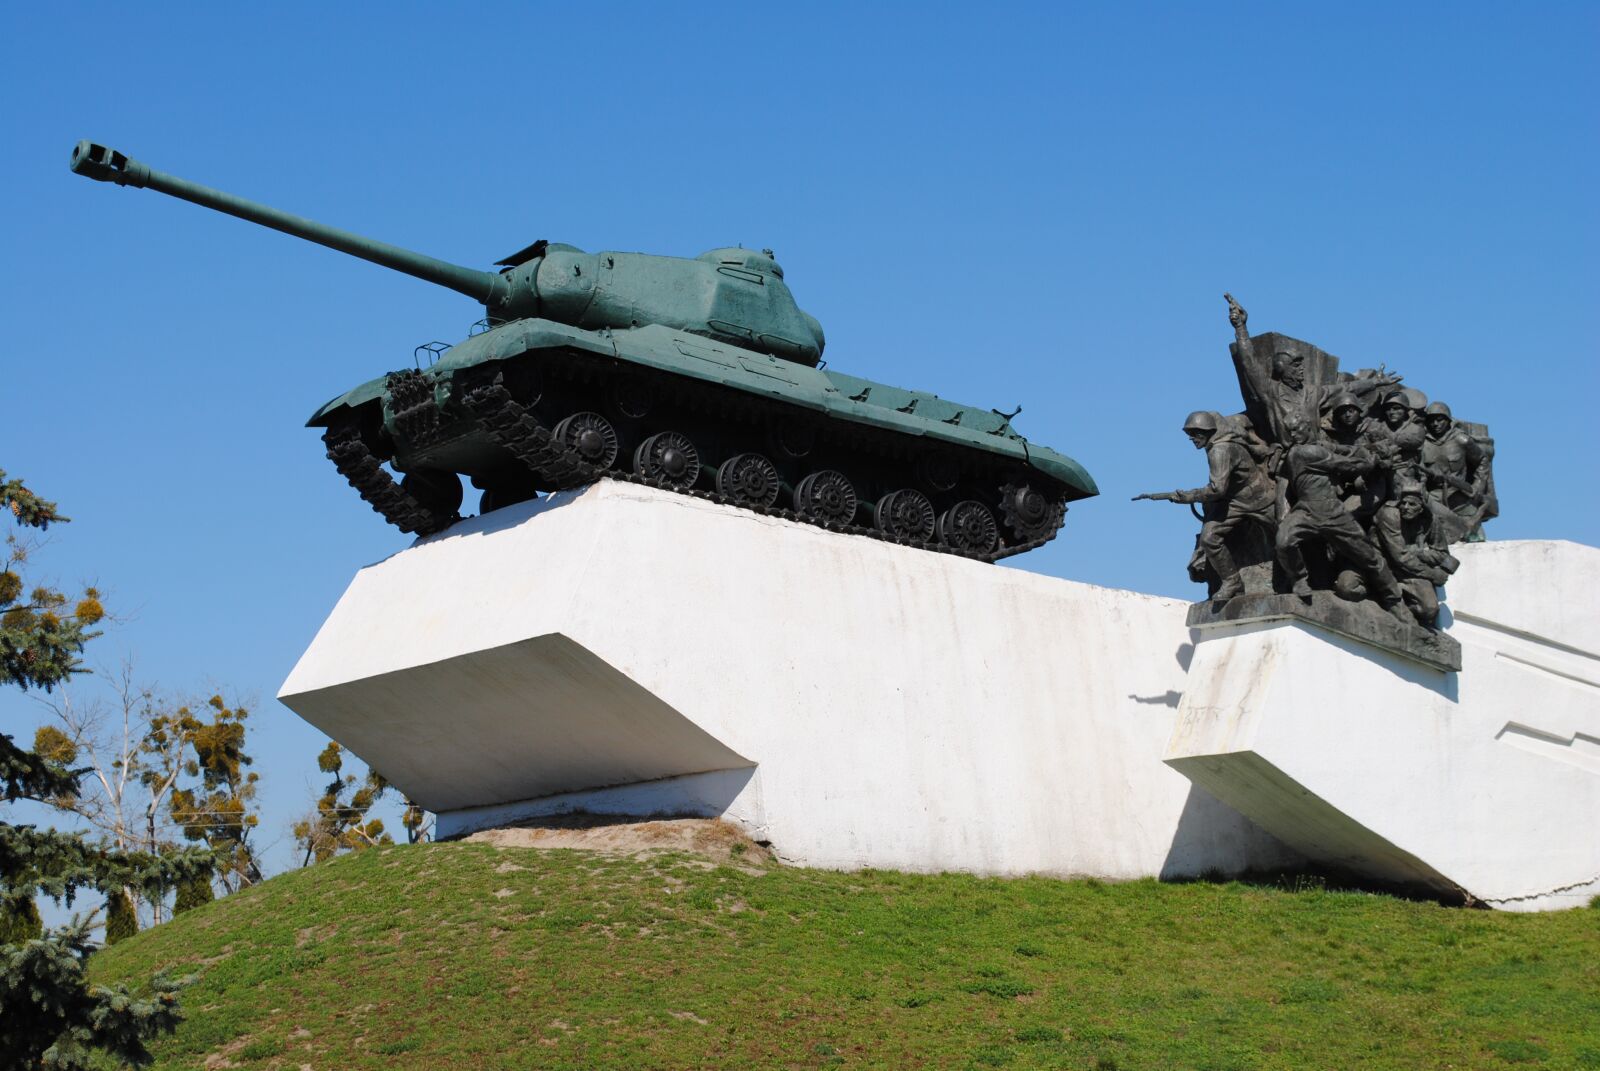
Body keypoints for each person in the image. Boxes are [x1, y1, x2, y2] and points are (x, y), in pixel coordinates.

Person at [1134, 410, 1276, 601]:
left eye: (1195, 434)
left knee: (1287, 537)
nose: (1192, 439)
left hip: (1259, 498)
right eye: (1189, 435)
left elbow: (1216, 490)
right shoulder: (1215, 447)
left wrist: (1188, 497)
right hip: (1234, 502)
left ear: (1207, 431)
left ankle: (1302, 578)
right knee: (1209, 538)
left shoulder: (1219, 450)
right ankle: (1233, 582)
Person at [1275, 441, 1412, 625]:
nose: (1292, 435)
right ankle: (1299, 580)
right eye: (1290, 431)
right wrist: (1372, 460)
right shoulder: (1304, 451)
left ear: (1309, 428)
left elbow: (1342, 450)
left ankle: (1394, 599)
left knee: (1369, 556)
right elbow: (1347, 465)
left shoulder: (1316, 446)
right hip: (1307, 510)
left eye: (1297, 429)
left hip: (1334, 512)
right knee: (1284, 541)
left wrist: (1362, 451)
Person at [1370, 479, 1458, 627]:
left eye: (1412, 504)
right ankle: (1389, 600)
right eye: (1403, 503)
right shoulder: (1389, 514)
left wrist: (1418, 553)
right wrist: (1432, 574)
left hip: (1412, 571)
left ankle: (1399, 601)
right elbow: (1400, 556)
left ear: (1421, 507)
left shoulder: (1431, 520)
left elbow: (1442, 553)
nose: (1405, 507)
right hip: (1384, 565)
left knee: (1430, 610)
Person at [1421, 401, 1487, 535]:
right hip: (1433, 497)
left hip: (1459, 496)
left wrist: (1477, 486)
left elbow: (1482, 460)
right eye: (1432, 420)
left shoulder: (1461, 440)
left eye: (1440, 420)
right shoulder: (1422, 443)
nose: (1435, 424)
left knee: (1476, 535)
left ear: (1448, 420)